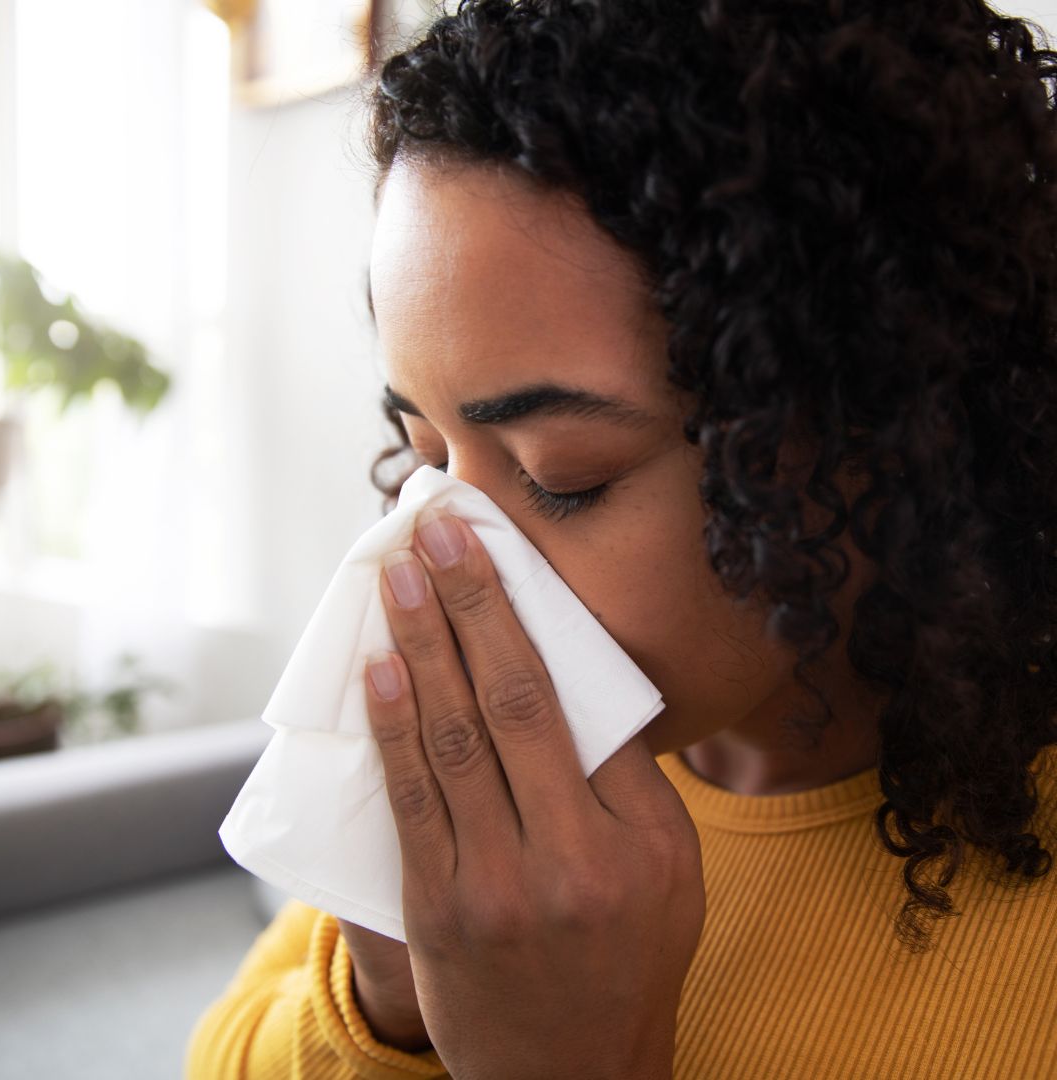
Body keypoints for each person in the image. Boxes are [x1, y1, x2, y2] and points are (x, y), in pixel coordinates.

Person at [185, 1, 1057, 1076]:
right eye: (423, 454)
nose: (447, 552)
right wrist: (395, 1002)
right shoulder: (506, 775)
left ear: (875, 425)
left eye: (565, 480)